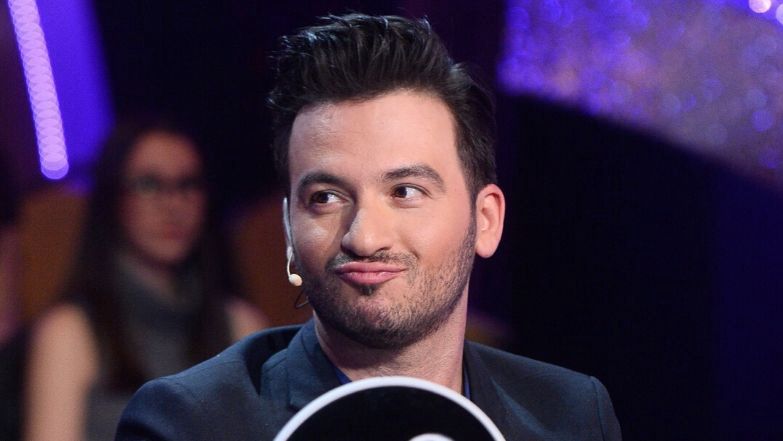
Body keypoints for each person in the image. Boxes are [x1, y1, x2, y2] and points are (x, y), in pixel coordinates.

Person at [116, 14, 622, 440]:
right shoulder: (190, 425)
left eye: (405, 192)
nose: (364, 237)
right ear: (289, 231)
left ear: (485, 220)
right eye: (326, 198)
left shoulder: (571, 416)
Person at [24, 118, 268, 441]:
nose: (173, 203)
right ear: (112, 198)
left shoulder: (240, 325)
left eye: (188, 184)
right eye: (149, 184)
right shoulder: (70, 331)